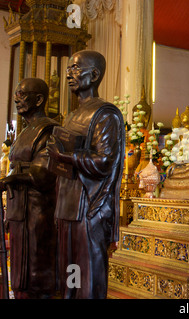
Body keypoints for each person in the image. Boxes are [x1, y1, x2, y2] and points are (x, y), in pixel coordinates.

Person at [46, 50, 125, 299]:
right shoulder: (71, 116)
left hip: (89, 209)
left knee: (88, 276)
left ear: (95, 75)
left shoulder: (105, 114)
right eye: (69, 68)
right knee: (70, 274)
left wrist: (65, 157)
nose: (70, 74)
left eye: (77, 68)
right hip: (69, 206)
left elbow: (104, 161)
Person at [0, 78, 59, 298]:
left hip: (37, 212)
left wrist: (9, 181)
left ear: (39, 99)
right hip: (19, 210)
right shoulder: (24, 131)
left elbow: (43, 173)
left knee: (35, 272)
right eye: (16, 93)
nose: (17, 98)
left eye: (23, 94)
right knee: (18, 270)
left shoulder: (49, 129)